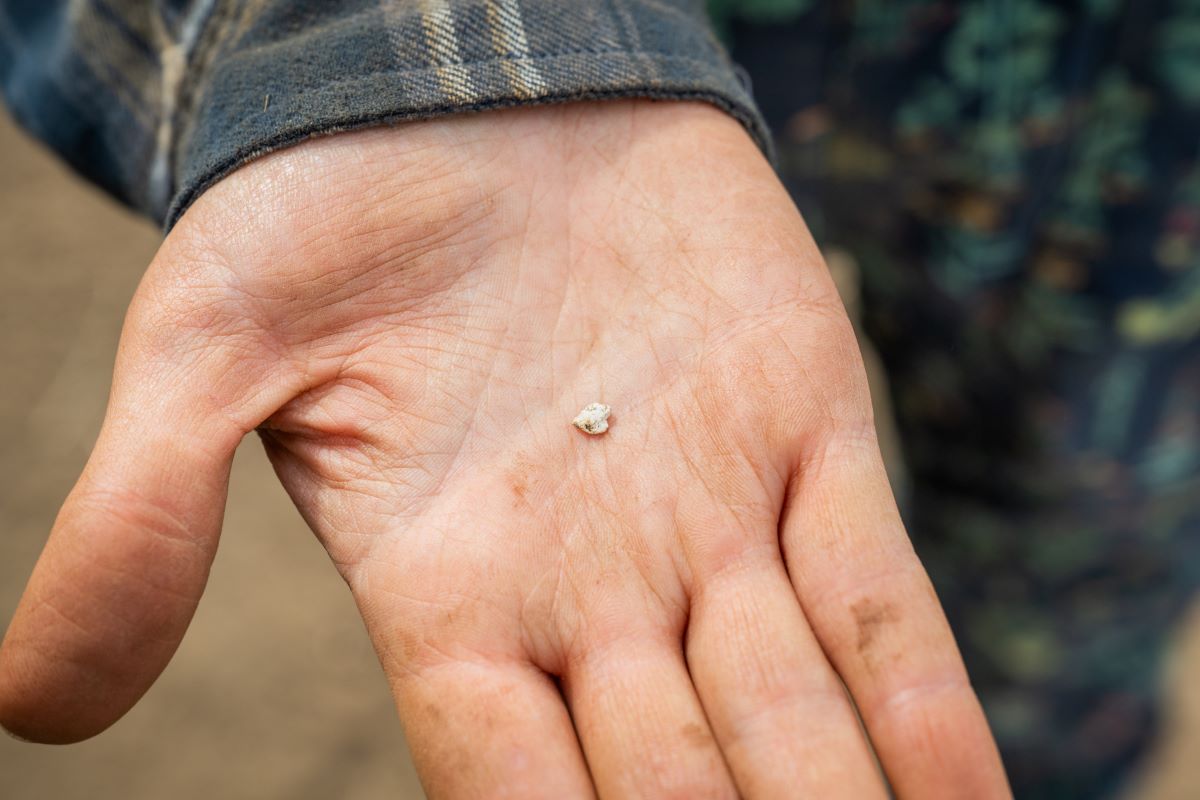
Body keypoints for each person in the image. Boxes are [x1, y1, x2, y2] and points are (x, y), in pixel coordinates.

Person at [0, 1, 1191, 798]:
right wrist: (378, 41)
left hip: (1156, 139)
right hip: (647, 49)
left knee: (1084, 536)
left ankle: (1051, 748)